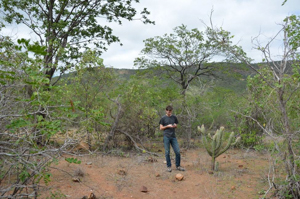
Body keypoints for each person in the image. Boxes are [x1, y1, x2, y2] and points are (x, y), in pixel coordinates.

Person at [159, 105, 185, 172]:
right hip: (166, 137)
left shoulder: (174, 117)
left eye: (170, 111)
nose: (169, 113)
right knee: (167, 152)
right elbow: (161, 128)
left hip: (173, 137)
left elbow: (176, 125)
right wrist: (167, 126)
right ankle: (169, 166)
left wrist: (175, 126)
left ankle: (178, 166)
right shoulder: (163, 118)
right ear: (166, 110)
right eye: (168, 111)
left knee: (177, 152)